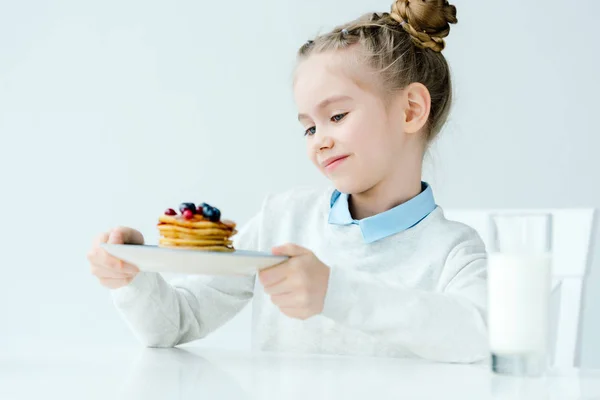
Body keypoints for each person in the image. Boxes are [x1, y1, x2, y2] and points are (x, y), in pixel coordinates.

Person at [87, 0, 488, 363]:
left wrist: (335, 293)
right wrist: (134, 278)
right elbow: (175, 322)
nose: (320, 141)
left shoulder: (453, 250)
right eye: (308, 128)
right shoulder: (283, 221)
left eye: (336, 116)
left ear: (410, 110)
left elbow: (479, 337)